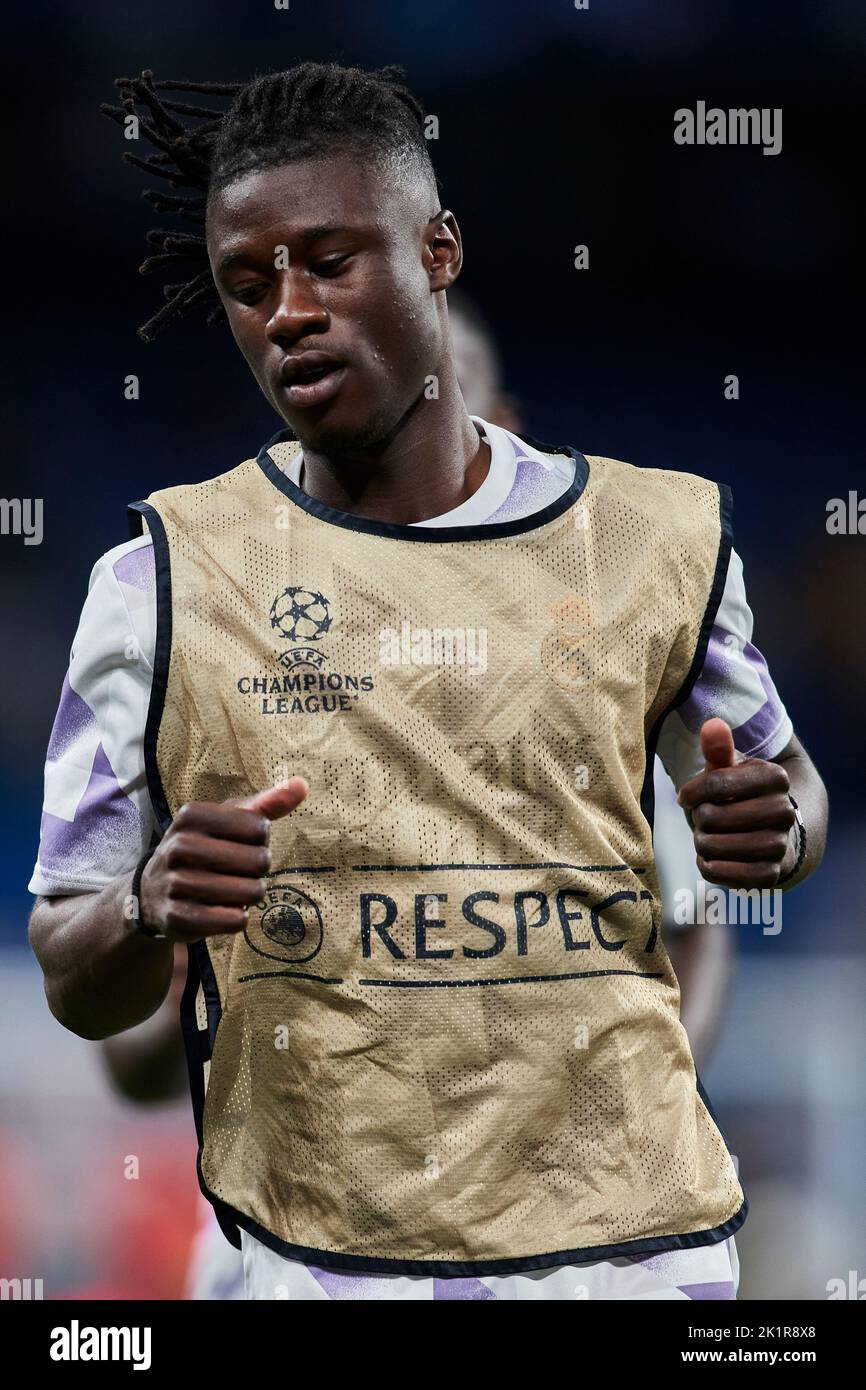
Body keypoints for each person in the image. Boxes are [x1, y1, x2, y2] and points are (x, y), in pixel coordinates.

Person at [28, 63, 827, 1301]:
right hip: (321, 1264)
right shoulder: (159, 582)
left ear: (437, 251)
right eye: (247, 285)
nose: (288, 313)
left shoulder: (644, 542)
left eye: (328, 262)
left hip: (630, 1263)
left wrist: (774, 832)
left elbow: (788, 799)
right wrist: (144, 907)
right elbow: (79, 978)